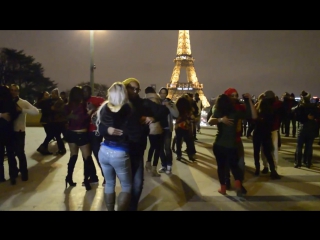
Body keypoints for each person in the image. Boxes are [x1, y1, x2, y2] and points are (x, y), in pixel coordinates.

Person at [100, 78, 170, 211]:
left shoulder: (143, 103)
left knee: (136, 184)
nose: (135, 91)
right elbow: (101, 124)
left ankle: (131, 208)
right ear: (125, 88)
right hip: (120, 149)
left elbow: (163, 111)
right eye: (132, 88)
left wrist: (152, 118)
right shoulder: (117, 104)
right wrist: (107, 130)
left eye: (137, 89)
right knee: (122, 184)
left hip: (135, 148)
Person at [93, 82, 133, 211]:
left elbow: (95, 120)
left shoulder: (104, 107)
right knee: (126, 186)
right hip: (120, 152)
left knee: (109, 183)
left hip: (104, 150)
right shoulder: (128, 108)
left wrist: (106, 129)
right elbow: (132, 132)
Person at [208, 92, 256, 196]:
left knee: (221, 167)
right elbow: (252, 115)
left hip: (219, 144)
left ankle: (223, 188)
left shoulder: (218, 111)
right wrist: (249, 101)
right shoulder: (236, 112)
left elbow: (210, 121)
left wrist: (221, 120)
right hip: (232, 145)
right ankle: (238, 184)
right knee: (234, 166)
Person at [64, 86, 95, 191]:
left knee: (73, 156)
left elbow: (66, 118)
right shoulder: (82, 106)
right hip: (81, 134)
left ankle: (69, 178)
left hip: (70, 134)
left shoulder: (68, 106)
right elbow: (83, 120)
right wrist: (90, 112)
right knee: (87, 158)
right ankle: (86, 180)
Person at [10, 84, 39, 181]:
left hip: (19, 131)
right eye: (12, 90)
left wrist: (22, 110)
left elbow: (36, 112)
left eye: (15, 90)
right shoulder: (6, 102)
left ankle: (24, 173)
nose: (13, 92)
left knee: (20, 153)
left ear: (18, 92)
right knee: (11, 154)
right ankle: (14, 173)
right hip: (9, 131)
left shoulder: (23, 102)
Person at [82, 85, 105, 186]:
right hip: (84, 131)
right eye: (83, 91)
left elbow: (107, 110)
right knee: (87, 157)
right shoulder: (80, 102)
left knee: (98, 155)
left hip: (95, 131)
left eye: (87, 91)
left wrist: (95, 108)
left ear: (90, 91)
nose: (85, 93)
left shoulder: (99, 100)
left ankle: (106, 177)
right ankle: (93, 177)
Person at [0, 85, 21, 184]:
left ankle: (1, 177)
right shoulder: (11, 103)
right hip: (9, 131)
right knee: (10, 154)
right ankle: (13, 175)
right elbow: (17, 112)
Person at [158, 87, 179, 174]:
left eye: (164, 93)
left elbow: (176, 114)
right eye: (161, 93)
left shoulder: (171, 103)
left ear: (166, 94)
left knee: (167, 148)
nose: (163, 94)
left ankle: (169, 166)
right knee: (159, 148)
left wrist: (168, 106)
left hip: (167, 129)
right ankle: (164, 165)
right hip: (158, 129)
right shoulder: (157, 103)